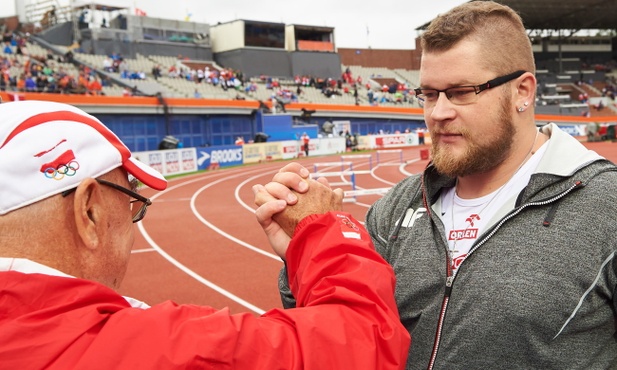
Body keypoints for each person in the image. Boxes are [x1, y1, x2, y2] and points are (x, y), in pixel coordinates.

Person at [258, 2, 617, 369]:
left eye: (461, 91)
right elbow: (347, 336)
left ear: (522, 92)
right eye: (429, 94)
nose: (438, 113)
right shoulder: (399, 206)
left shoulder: (607, 206)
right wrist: (306, 255)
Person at [0, 100, 409, 368]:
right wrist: (321, 231)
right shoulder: (145, 348)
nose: (132, 225)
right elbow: (362, 344)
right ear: (88, 211)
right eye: (129, 201)